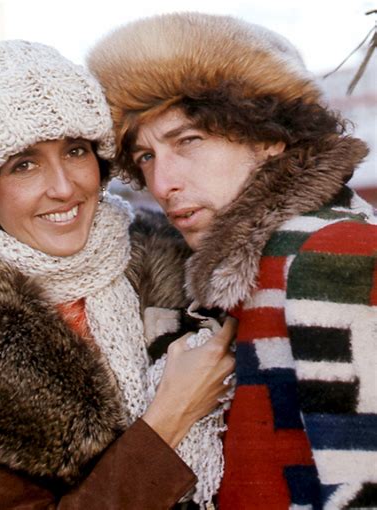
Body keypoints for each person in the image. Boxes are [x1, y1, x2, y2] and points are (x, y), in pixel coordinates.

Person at [0, 40, 237, 509]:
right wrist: (169, 418)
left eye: (76, 151)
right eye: (24, 164)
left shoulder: (180, 259)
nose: (64, 188)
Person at [88, 12, 377, 509]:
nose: (162, 184)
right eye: (146, 157)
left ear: (267, 136)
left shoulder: (332, 254)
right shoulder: (249, 267)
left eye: (188, 142)